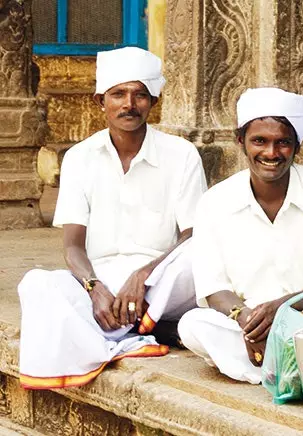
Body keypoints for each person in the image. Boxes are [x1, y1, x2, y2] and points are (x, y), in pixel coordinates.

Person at [17, 47, 208, 389]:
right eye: (118, 94)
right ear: (99, 101)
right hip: (102, 283)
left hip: (161, 279)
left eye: (140, 95)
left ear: (153, 102)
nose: (129, 105)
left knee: (200, 256)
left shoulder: (181, 154)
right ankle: (129, 338)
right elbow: (73, 247)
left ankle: (127, 325)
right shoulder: (79, 158)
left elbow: (192, 235)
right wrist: (93, 287)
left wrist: (145, 273)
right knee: (36, 283)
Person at [178, 87, 303, 384]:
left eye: (282, 143)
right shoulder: (216, 200)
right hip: (246, 322)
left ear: (296, 147)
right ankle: (293, 371)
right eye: (259, 141)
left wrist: (281, 310)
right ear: (241, 142)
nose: (271, 153)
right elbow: (214, 288)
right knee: (193, 324)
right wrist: (247, 321)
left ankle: (269, 367)